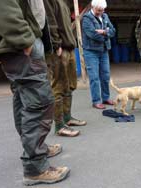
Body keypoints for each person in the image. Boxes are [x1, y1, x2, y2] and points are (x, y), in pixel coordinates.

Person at [0, 0, 70, 185]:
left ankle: (35, 149)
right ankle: (36, 167)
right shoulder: (21, 39)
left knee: (24, 98)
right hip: (21, 43)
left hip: (24, 41)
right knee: (40, 102)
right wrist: (23, 39)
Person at [44, 0, 87, 137]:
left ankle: (68, 118)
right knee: (58, 87)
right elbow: (50, 23)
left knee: (70, 85)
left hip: (69, 47)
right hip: (59, 49)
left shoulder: (63, 3)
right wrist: (56, 45)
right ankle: (59, 125)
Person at [82, 0, 116, 109]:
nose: (100, 12)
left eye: (102, 10)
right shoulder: (87, 18)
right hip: (91, 51)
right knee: (94, 77)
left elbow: (113, 31)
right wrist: (107, 33)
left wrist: (104, 32)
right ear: (93, 7)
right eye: (98, 10)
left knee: (105, 75)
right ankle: (96, 101)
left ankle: (105, 98)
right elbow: (92, 34)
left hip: (104, 50)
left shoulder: (105, 16)